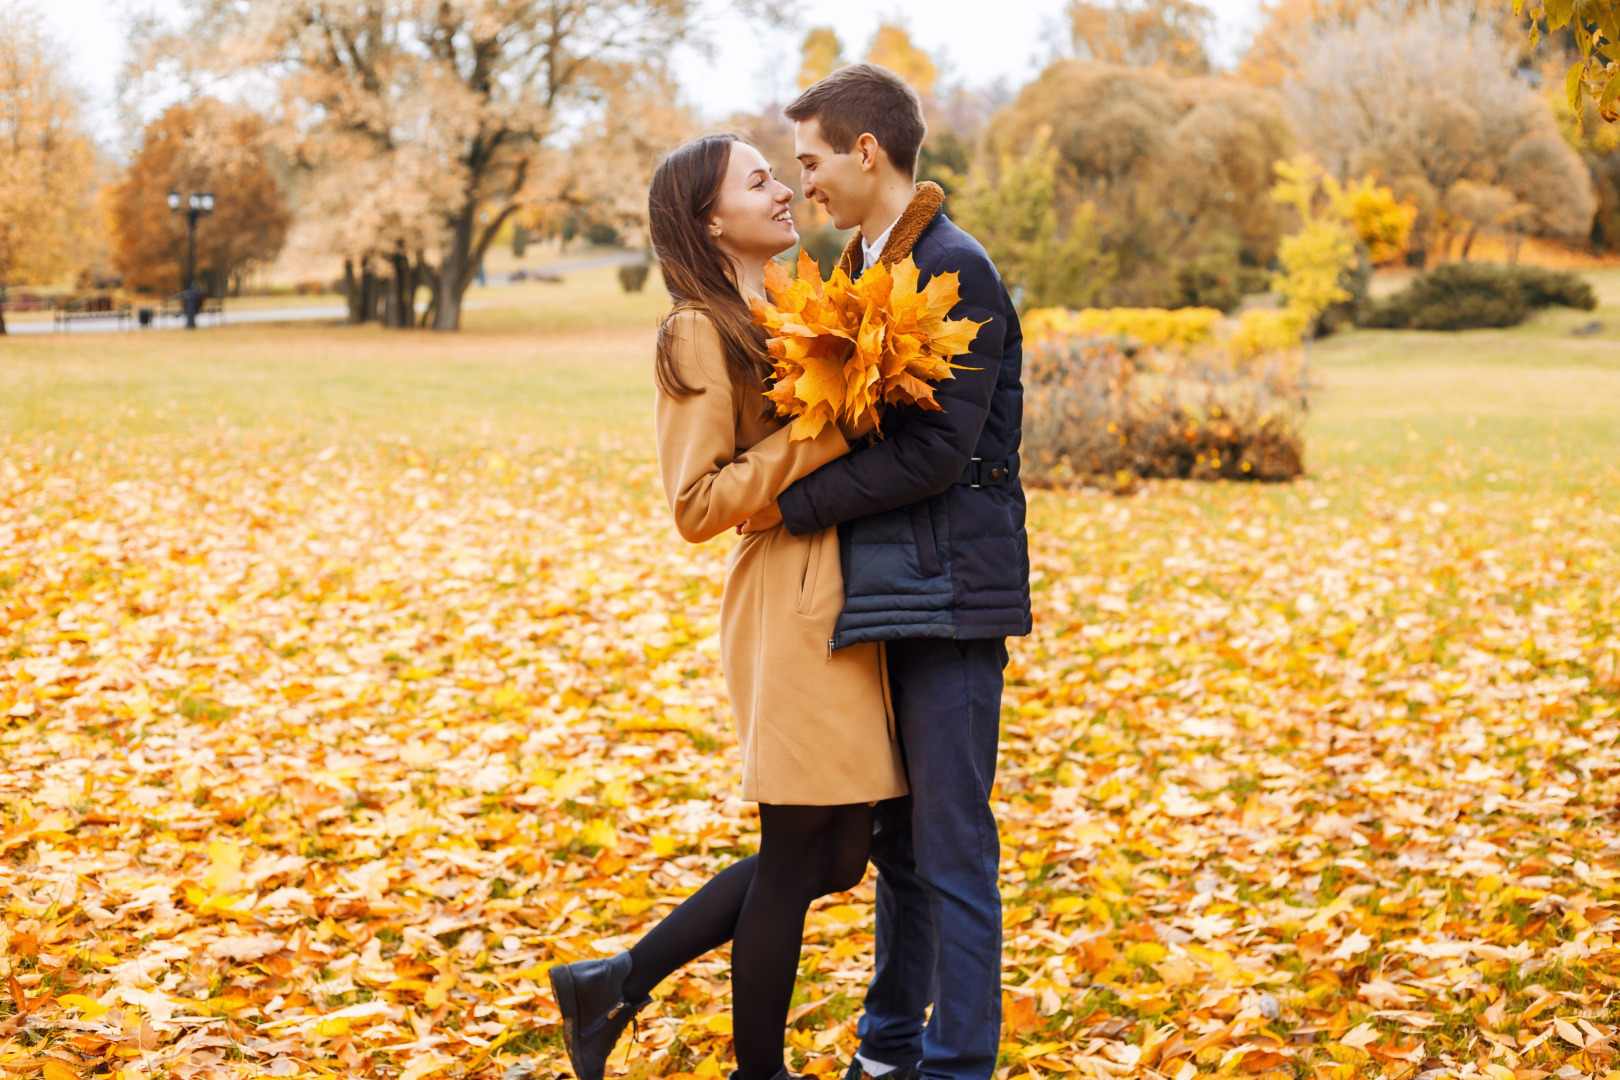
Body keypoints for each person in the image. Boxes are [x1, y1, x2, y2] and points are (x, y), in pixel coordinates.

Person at [547, 134, 907, 1080]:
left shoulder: (789, 307)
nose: (785, 190)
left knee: (836, 854)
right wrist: (822, 436)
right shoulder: (696, 331)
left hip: (837, 586)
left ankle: (614, 980)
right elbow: (696, 504)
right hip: (784, 599)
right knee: (797, 848)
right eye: (759, 181)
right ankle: (758, 1072)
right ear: (711, 219)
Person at [773, 64, 1031, 1080]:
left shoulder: (955, 269)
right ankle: (889, 1046)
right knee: (899, 845)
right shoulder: (861, 272)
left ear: (865, 151)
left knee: (953, 842)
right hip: (884, 586)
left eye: (812, 161)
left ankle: (958, 1062)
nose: (805, 185)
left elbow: (932, 456)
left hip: (952, 593)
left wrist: (792, 506)